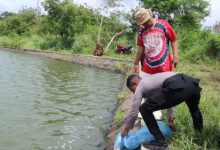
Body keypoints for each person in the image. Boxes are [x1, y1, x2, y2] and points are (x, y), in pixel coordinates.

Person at [121, 72, 203, 149]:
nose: (133, 93)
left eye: (132, 90)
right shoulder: (151, 81)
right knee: (194, 110)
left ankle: (160, 142)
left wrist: (126, 130)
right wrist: (170, 120)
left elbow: (134, 111)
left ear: (134, 83)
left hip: (177, 85)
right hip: (192, 84)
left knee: (144, 109)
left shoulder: (140, 86)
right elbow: (168, 99)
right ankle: (200, 135)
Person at [134, 8, 179, 124]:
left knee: (168, 91)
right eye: (143, 23)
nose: (146, 24)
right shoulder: (142, 32)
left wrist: (175, 55)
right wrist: (135, 63)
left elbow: (173, 40)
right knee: (143, 89)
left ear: (151, 15)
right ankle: (147, 113)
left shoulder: (164, 25)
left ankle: (170, 118)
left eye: (147, 21)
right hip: (148, 67)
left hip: (164, 67)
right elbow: (140, 48)